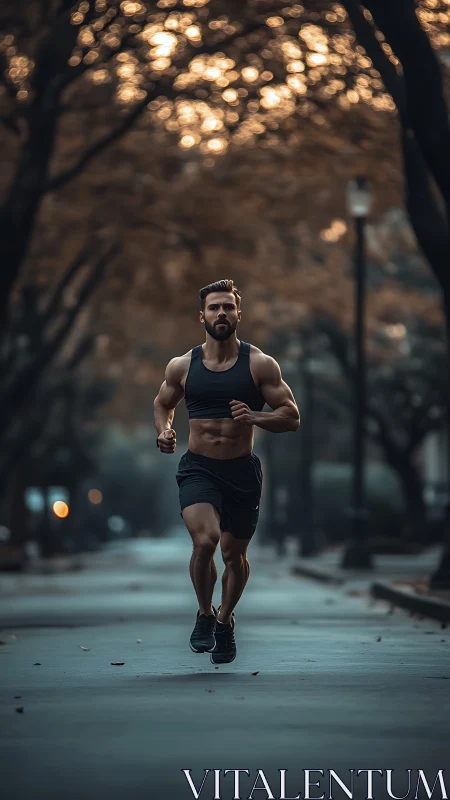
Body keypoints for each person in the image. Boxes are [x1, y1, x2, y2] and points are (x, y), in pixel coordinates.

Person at [153, 279, 300, 664]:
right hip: (198, 467)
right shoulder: (183, 365)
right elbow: (162, 404)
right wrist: (165, 431)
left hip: (241, 473)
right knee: (205, 542)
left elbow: (292, 416)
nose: (222, 313)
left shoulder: (260, 365)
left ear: (238, 314)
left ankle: (225, 619)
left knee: (235, 557)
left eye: (228, 308)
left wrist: (256, 416)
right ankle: (204, 613)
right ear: (201, 316)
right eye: (214, 308)